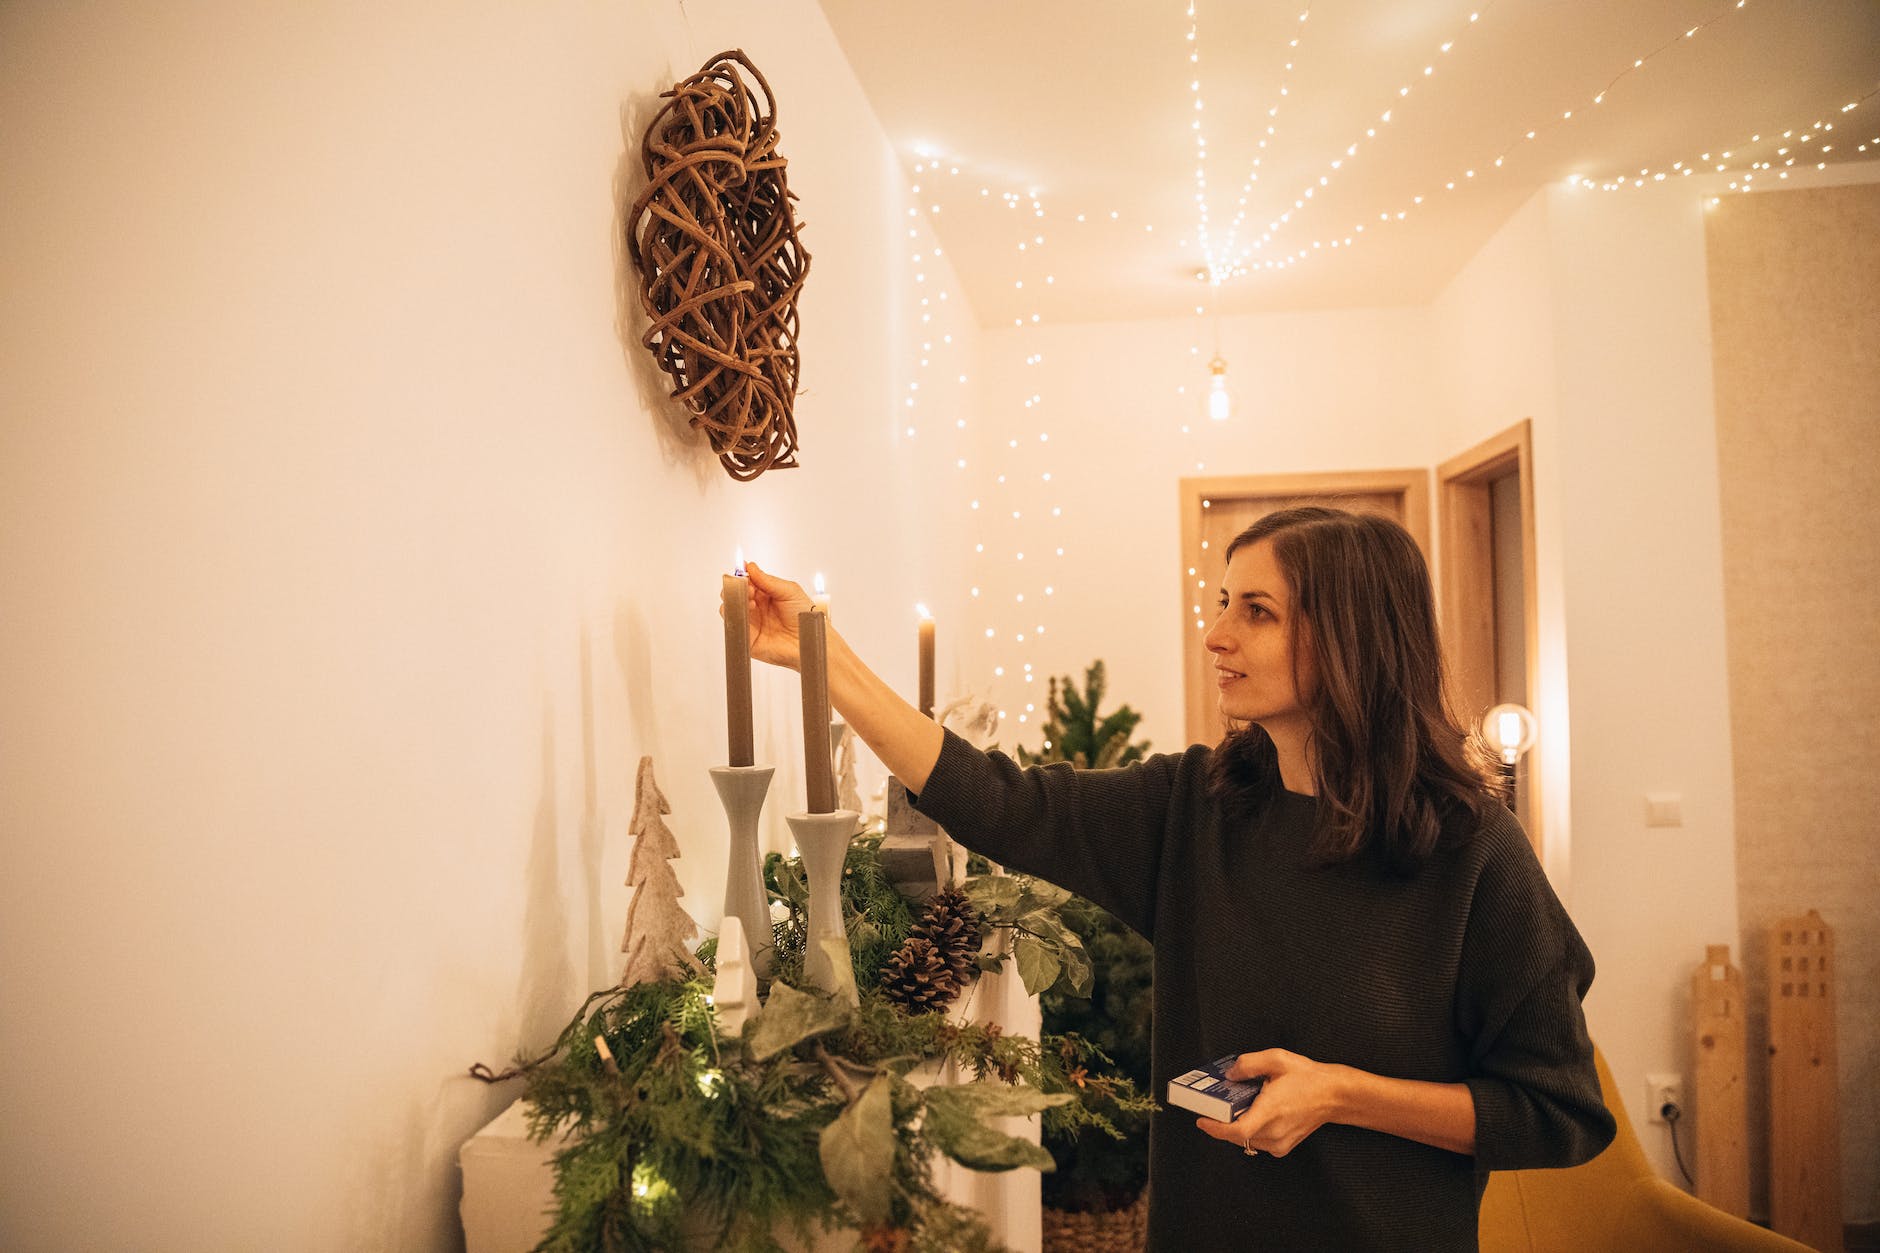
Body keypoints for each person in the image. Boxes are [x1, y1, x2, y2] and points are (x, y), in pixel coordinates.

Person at [739, 506, 1615, 1251]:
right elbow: (998, 800)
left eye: (1258, 611)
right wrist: (822, 651)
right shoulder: (1199, 806)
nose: (1217, 632)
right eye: (1225, 601)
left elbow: (1558, 1110)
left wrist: (1341, 1095)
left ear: (1351, 639)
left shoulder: (1471, 852)